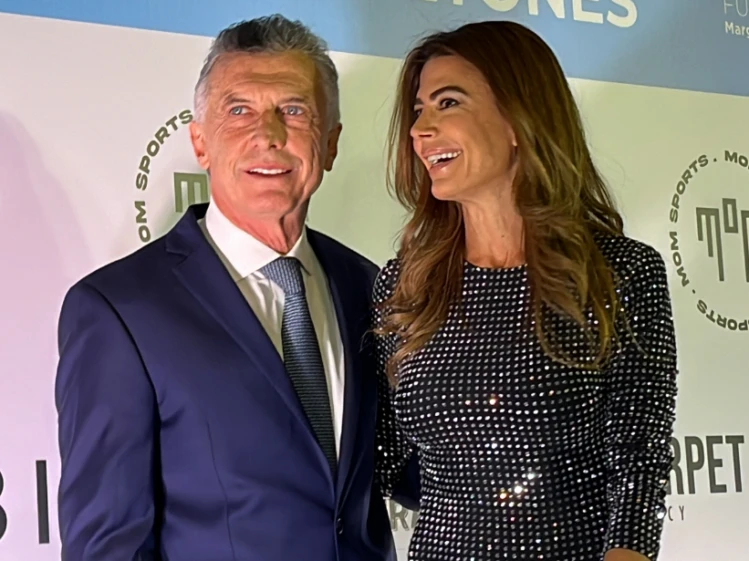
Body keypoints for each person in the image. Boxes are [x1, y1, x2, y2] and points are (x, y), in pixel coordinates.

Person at [55, 14, 417, 561]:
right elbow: (108, 548)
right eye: (239, 111)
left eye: (293, 110)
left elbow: (423, 471)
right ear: (200, 143)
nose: (267, 135)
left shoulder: (370, 287)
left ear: (330, 143)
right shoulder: (119, 310)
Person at [372, 20, 678, 561]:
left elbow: (639, 461)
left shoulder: (620, 274)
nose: (420, 129)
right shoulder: (405, 287)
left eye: (448, 103)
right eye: (419, 110)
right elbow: (378, 460)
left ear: (518, 118)